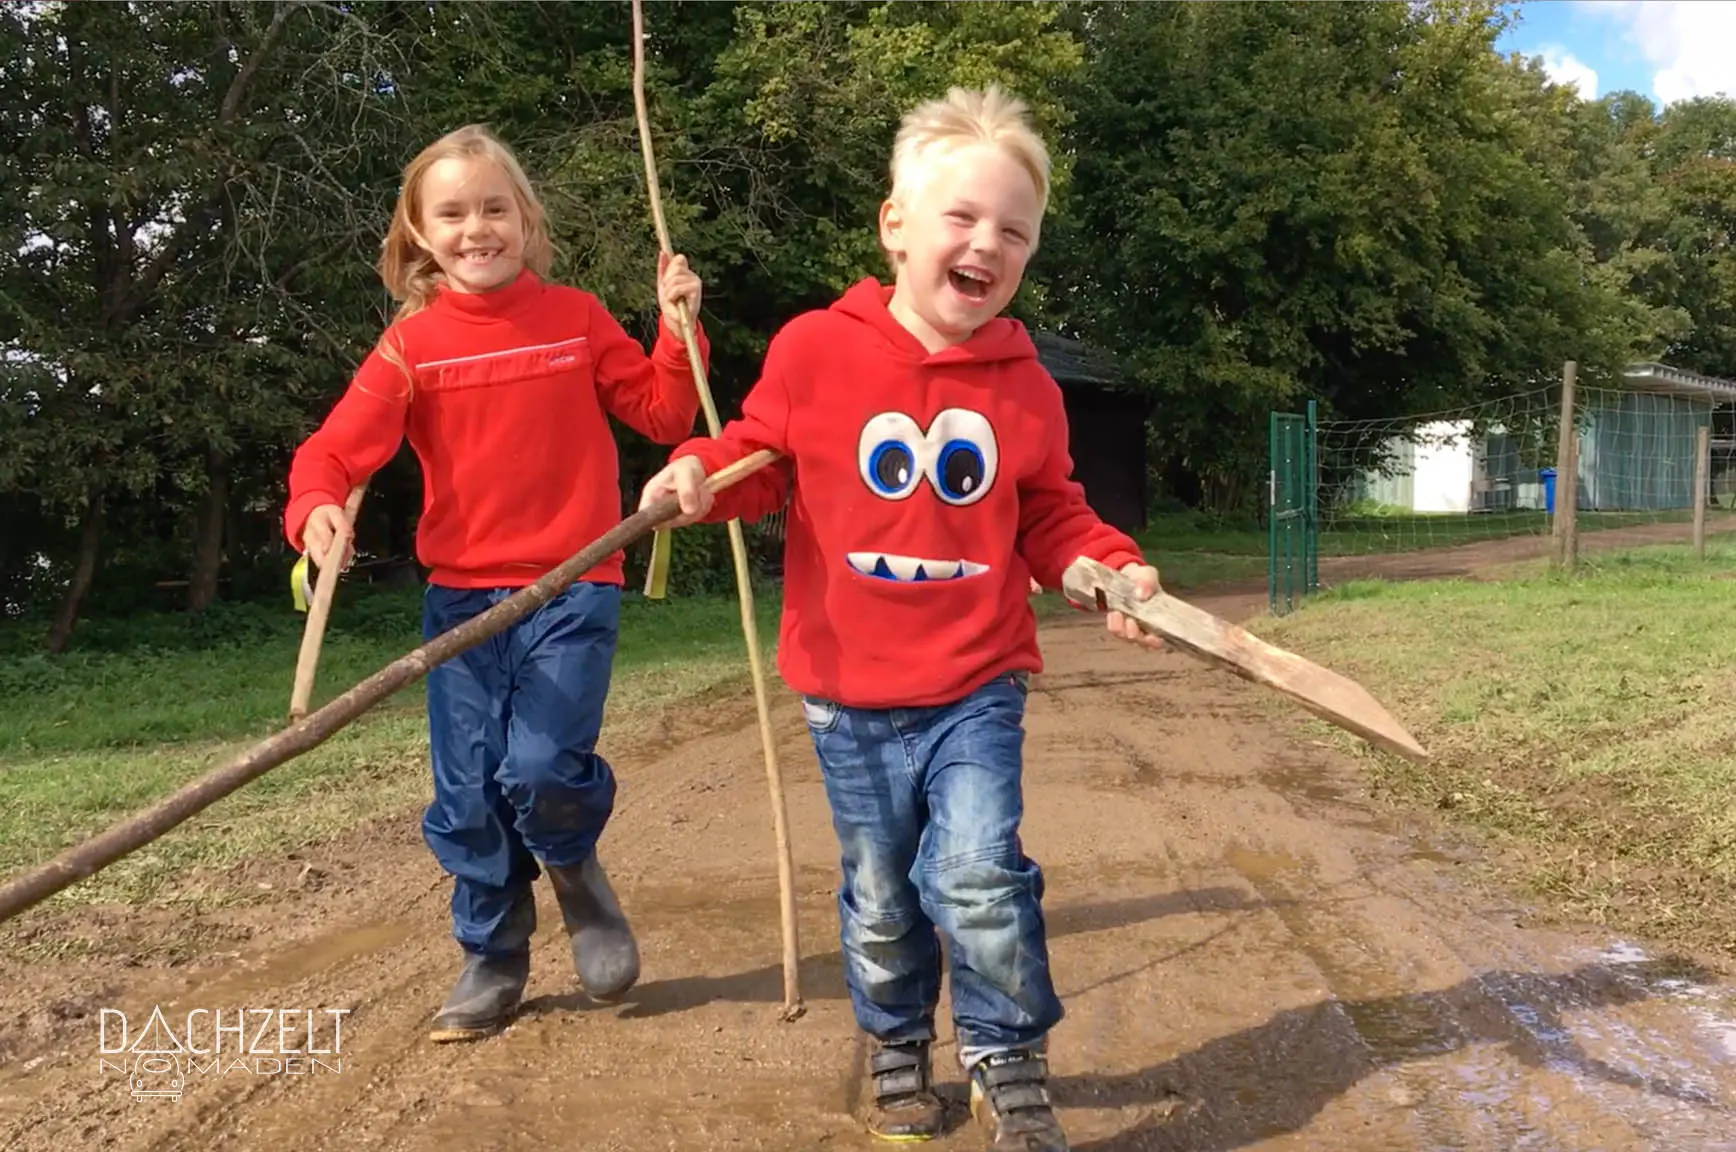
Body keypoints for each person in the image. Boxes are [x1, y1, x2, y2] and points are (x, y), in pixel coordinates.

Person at [637, 84, 1162, 1151]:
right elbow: (756, 461)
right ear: (894, 226)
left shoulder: (1027, 387)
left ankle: (1005, 1056)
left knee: (975, 871)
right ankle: (892, 1040)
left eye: (1012, 231)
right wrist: (694, 471)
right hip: (845, 696)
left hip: (975, 683)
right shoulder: (813, 351)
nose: (986, 243)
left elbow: (1052, 514)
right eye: (961, 218)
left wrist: (1108, 568)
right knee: (881, 892)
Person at [283, 123, 711, 1043]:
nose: (476, 228)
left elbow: (665, 410)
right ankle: (495, 953)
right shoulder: (413, 346)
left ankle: (575, 875)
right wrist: (317, 506)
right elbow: (332, 450)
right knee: (469, 791)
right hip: (463, 607)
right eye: (453, 213)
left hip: (574, 583)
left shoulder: (578, 317)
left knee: (541, 768)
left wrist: (678, 329)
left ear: (525, 218)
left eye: (494, 208)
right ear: (419, 235)